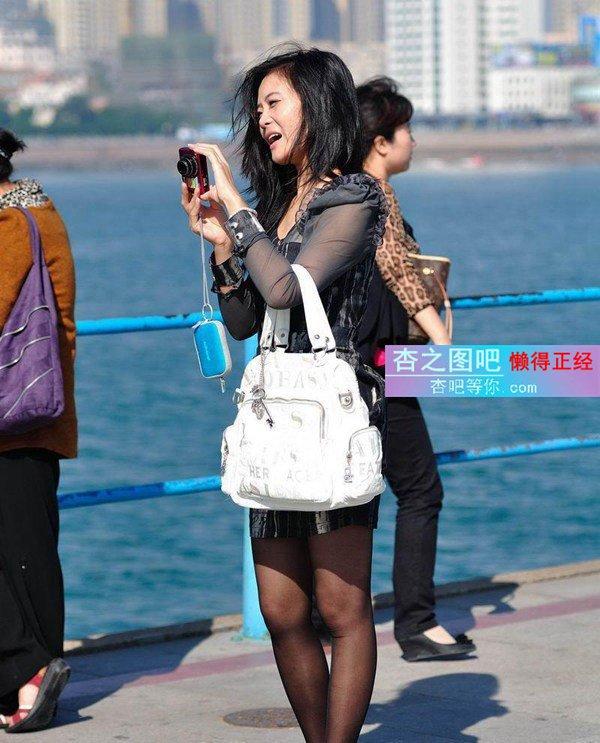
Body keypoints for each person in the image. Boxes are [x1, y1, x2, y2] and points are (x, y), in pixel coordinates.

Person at [181, 47, 388, 742]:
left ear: (317, 106)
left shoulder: (353, 197)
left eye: (276, 103)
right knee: (282, 609)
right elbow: (247, 318)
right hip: (276, 419)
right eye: (258, 107)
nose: (263, 119)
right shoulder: (275, 204)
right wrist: (221, 243)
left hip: (331, 415)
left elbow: (284, 288)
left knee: (341, 607)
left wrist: (238, 210)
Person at [355, 78, 476, 661]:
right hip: (383, 370)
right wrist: (441, 336)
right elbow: (397, 270)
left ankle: (332, 618)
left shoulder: (340, 192)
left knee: (351, 498)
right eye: (405, 129)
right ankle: (417, 626)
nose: (413, 140)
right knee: (421, 490)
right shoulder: (375, 195)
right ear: (381, 141)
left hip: (362, 366)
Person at [0, 129, 75, 732]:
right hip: (35, 408)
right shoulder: (39, 214)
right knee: (29, 554)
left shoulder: (9, 225)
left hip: (12, 418)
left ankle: (30, 673)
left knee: (19, 558)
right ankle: (32, 678)